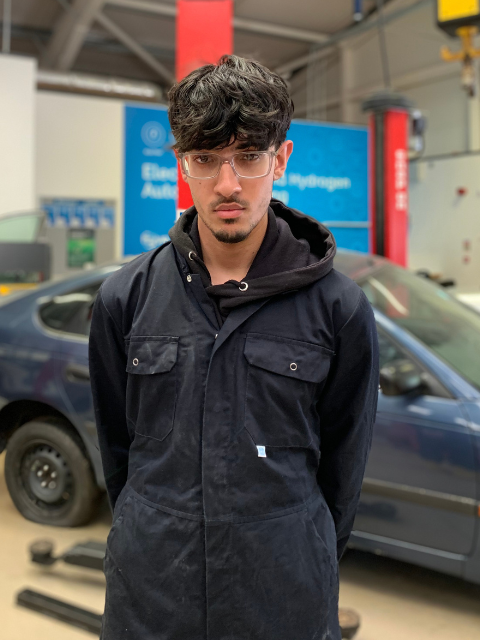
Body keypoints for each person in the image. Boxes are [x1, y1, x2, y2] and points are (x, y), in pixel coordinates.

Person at [89, 54, 379, 640]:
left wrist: (294, 543)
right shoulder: (125, 297)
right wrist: (155, 529)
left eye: (248, 158)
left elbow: (342, 478)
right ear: (182, 165)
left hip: (283, 602)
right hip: (151, 600)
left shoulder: (339, 309)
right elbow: (119, 457)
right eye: (206, 159)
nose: (228, 185)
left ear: (281, 159)